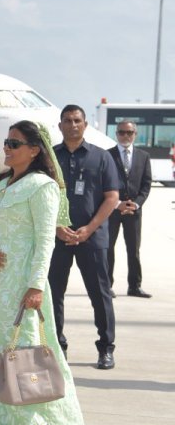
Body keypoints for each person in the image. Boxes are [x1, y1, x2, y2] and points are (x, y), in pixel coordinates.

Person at [0, 120, 86, 425]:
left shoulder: (41, 187)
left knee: (25, 352)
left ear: (34, 151)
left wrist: (35, 286)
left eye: (15, 143)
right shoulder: (1, 184)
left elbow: (45, 239)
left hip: (23, 281)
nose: (7, 147)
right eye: (6, 142)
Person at [48, 104, 120, 369]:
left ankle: (106, 348)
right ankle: (58, 346)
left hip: (92, 238)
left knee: (100, 294)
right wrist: (57, 226)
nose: (72, 125)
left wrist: (89, 229)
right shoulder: (49, 158)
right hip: (58, 237)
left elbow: (112, 197)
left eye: (77, 120)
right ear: (60, 126)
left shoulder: (102, 157)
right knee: (53, 293)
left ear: (85, 124)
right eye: (67, 120)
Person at [107, 121, 152, 298]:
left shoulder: (143, 156)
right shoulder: (107, 155)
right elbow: (102, 183)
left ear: (135, 134)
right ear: (116, 134)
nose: (126, 136)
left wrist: (136, 203)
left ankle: (134, 286)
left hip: (134, 211)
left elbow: (146, 184)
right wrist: (117, 204)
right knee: (108, 248)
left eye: (129, 132)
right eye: (122, 132)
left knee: (133, 249)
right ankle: (107, 285)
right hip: (111, 210)